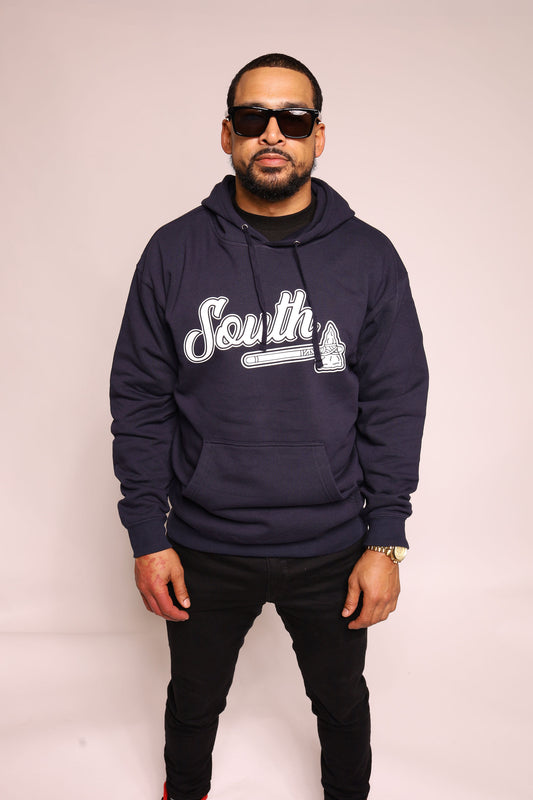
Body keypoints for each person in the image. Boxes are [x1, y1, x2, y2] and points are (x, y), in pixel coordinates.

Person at [110, 53, 428, 800]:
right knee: (193, 703)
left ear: (319, 136)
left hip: (332, 545)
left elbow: (395, 403)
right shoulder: (173, 252)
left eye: (294, 118)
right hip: (204, 543)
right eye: (254, 118)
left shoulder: (368, 257)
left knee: (341, 705)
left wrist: (385, 538)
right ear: (228, 135)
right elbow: (140, 399)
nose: (273, 133)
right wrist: (147, 535)